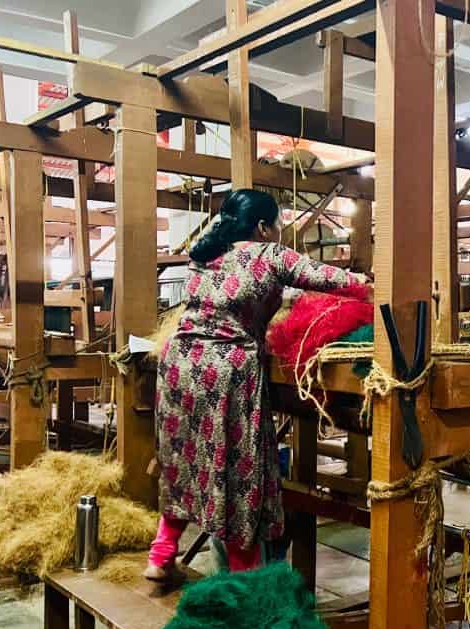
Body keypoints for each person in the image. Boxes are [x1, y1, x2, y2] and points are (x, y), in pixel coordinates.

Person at [145, 189, 369, 581]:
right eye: (279, 223)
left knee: (185, 458)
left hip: (180, 363)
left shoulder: (206, 257)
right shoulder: (269, 255)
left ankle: (160, 556)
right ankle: (243, 580)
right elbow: (325, 276)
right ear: (264, 227)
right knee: (234, 467)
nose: (280, 230)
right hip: (225, 371)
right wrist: (365, 284)